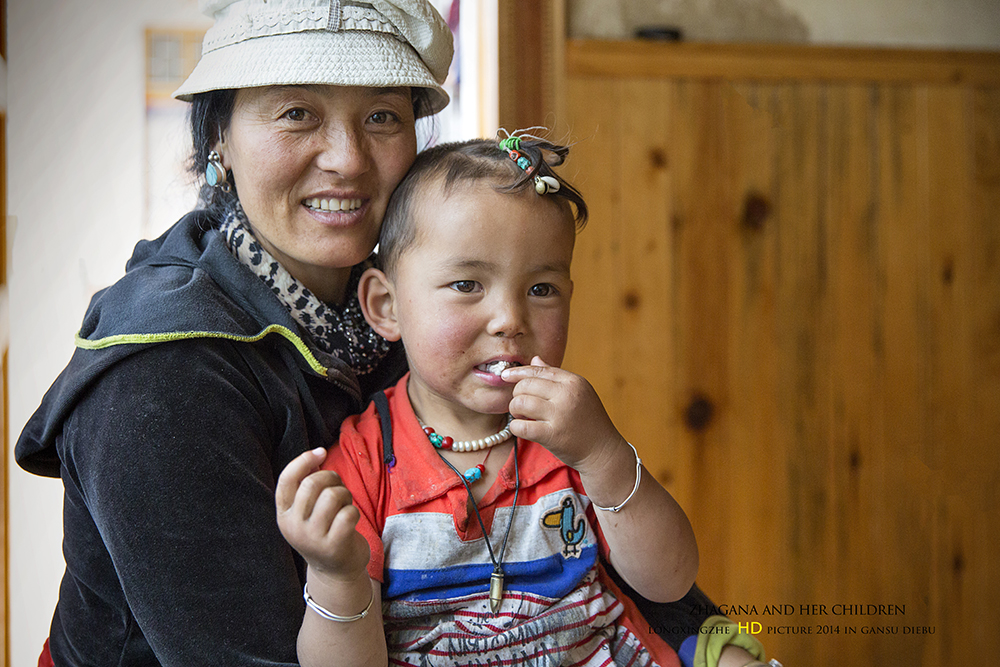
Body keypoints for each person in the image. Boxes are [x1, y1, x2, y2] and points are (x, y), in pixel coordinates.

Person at [14, 1, 454, 665]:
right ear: (219, 134)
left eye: (382, 115)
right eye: (297, 112)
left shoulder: (407, 306)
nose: (347, 157)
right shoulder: (165, 373)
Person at [275, 133, 777, 667]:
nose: (510, 320)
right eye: (467, 284)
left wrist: (602, 454)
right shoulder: (364, 463)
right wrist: (337, 575)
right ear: (387, 306)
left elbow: (670, 580)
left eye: (541, 290)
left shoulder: (572, 435)